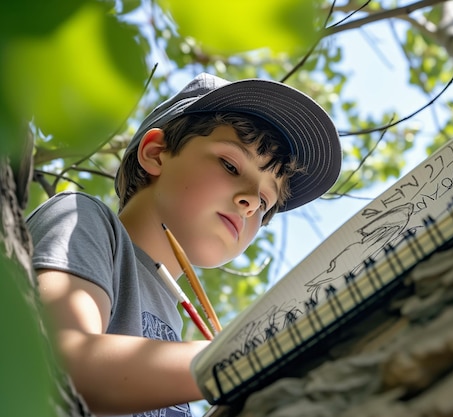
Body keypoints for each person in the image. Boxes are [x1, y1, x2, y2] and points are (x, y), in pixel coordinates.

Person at [27, 73, 342, 417]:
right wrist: (242, 355)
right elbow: (65, 362)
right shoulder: (81, 217)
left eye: (265, 202)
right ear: (157, 153)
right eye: (230, 165)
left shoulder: (174, 331)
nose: (251, 200)